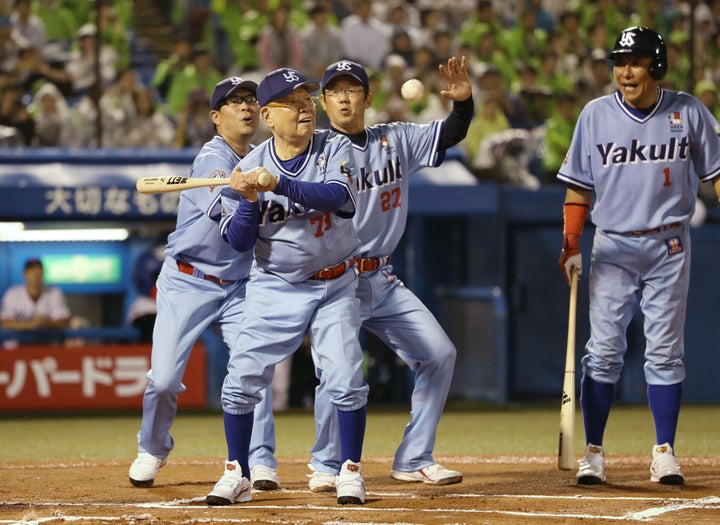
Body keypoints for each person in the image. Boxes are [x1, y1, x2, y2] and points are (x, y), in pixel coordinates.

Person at [249, 57, 473, 492]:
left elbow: (450, 132)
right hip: (337, 277)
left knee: (439, 354)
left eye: (352, 89)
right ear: (324, 100)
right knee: (339, 374)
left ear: (368, 98)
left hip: (383, 277)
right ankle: (326, 463)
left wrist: (463, 105)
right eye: (333, 91)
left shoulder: (396, 138)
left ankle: (414, 457)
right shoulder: (318, 150)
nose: (343, 97)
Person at [557, 27, 720, 486]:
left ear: (658, 66)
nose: (625, 71)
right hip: (612, 244)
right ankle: (594, 452)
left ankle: (664, 451)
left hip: (669, 243)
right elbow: (578, 187)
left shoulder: (689, 111)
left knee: (666, 353)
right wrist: (571, 242)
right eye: (620, 61)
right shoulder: (594, 115)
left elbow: (716, 173)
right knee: (603, 353)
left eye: (636, 61)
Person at [206, 67, 368, 506]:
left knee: (346, 377)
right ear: (267, 115)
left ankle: (349, 470)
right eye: (292, 104)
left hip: (334, 280)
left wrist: (281, 184)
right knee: (240, 380)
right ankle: (238, 471)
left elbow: (337, 198)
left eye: (307, 101)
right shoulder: (246, 167)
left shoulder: (334, 146)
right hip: (274, 284)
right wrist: (248, 200)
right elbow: (238, 241)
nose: (305, 110)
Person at [127, 76, 261, 488]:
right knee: (164, 378)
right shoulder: (211, 160)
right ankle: (152, 447)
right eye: (235, 102)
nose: (246, 107)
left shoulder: (263, 157)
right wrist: (244, 193)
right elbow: (234, 230)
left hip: (238, 284)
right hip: (189, 280)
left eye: (251, 100)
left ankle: (259, 461)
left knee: (253, 370)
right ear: (217, 117)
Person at [1, 258, 71, 333]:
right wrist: (31, 324)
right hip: (16, 342)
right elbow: (5, 322)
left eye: (39, 271)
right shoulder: (13, 294)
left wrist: (46, 323)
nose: (36, 275)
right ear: (24, 274)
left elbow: (64, 321)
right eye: (32, 271)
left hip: (44, 342)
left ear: (43, 273)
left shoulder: (54, 292)